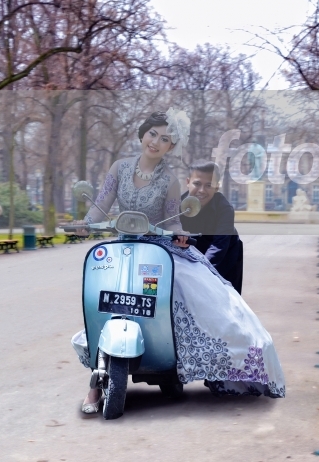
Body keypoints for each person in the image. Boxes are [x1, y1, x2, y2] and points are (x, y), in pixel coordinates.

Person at [71, 109, 285, 414]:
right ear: (143, 134)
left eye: (165, 139)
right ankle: (95, 384)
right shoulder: (119, 168)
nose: (156, 142)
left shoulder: (170, 181)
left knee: (196, 298)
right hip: (124, 247)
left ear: (171, 146)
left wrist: (180, 234)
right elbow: (101, 203)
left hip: (158, 249)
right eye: (153, 134)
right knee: (104, 300)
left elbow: (173, 220)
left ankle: (175, 357)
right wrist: (85, 222)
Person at [180, 161, 243, 295]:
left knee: (224, 298)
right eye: (197, 184)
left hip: (224, 256)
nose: (202, 190)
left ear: (216, 187)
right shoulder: (176, 206)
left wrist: (200, 269)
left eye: (208, 185)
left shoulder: (225, 209)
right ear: (188, 182)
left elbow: (219, 246)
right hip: (191, 254)